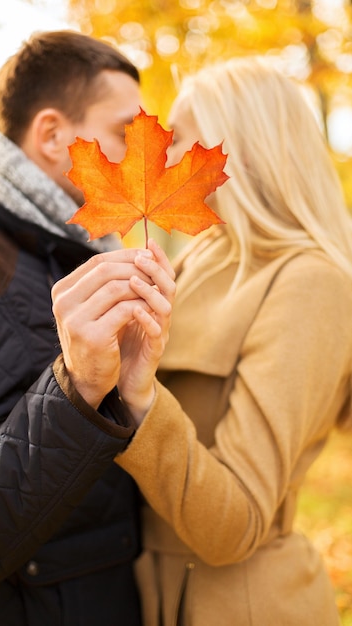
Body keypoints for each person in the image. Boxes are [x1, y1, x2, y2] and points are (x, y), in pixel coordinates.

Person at [57, 56, 352, 625]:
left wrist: (142, 398)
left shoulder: (311, 282)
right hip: (152, 592)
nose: (161, 158)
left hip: (243, 604)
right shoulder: (196, 261)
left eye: (183, 142)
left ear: (238, 149)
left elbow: (235, 525)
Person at [0, 29, 176, 626]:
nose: (141, 157)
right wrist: (78, 390)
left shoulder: (75, 259)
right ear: (50, 135)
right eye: (123, 133)